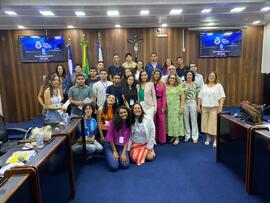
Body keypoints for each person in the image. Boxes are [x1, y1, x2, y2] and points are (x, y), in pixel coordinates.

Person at [197, 71, 225, 147]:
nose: (211, 77)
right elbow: (199, 96)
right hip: (204, 107)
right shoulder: (204, 86)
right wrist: (198, 105)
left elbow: (222, 97)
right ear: (208, 77)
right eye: (210, 76)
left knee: (213, 124)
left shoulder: (218, 86)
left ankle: (215, 139)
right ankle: (208, 138)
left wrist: (220, 107)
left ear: (215, 77)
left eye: (213, 76)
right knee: (205, 124)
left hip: (214, 107)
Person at [104, 106, 131, 171]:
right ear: (118, 114)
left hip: (121, 146)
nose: (123, 114)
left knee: (125, 165)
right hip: (111, 145)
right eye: (120, 113)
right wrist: (114, 151)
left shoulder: (128, 123)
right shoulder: (112, 122)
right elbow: (110, 137)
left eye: (124, 112)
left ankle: (117, 156)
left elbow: (127, 139)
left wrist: (124, 152)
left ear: (127, 113)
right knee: (114, 167)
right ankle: (109, 155)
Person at [181, 71, 200, 144]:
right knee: (185, 119)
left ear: (192, 76)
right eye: (188, 75)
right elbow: (181, 95)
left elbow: (198, 96)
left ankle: (195, 137)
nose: (189, 76)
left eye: (190, 75)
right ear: (186, 76)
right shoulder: (182, 84)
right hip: (185, 103)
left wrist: (198, 105)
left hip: (193, 102)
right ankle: (187, 136)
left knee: (194, 119)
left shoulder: (196, 84)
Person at [166, 73, 185, 145]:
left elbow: (182, 98)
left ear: (176, 79)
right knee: (170, 123)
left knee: (177, 122)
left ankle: (177, 137)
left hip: (176, 107)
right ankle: (173, 136)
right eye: (171, 78)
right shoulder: (166, 87)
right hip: (169, 108)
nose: (172, 79)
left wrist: (182, 107)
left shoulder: (179, 87)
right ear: (168, 79)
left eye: (173, 78)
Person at [151, 70, 166, 144]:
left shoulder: (162, 84)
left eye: (158, 74)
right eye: (156, 74)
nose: (157, 75)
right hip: (152, 104)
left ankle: (162, 139)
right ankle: (154, 139)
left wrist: (163, 106)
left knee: (161, 121)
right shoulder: (149, 83)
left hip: (160, 102)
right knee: (153, 121)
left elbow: (164, 96)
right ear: (153, 75)